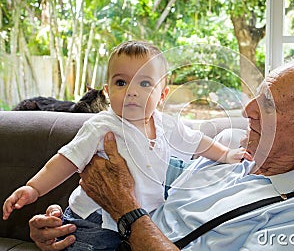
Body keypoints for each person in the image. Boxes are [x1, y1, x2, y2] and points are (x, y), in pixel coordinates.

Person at [29, 57, 294, 250]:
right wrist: (71, 226)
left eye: (268, 105)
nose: (248, 109)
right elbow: (150, 180)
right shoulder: (231, 145)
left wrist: (124, 209)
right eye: (257, 96)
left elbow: (125, 199)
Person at [3, 41, 251, 250]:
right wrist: (33, 188)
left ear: (162, 95)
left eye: (144, 84)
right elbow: (66, 160)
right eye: (122, 83)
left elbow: (198, 143)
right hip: (93, 222)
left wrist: (227, 154)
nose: (132, 91)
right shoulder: (102, 126)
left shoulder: (166, 125)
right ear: (108, 92)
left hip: (140, 220)